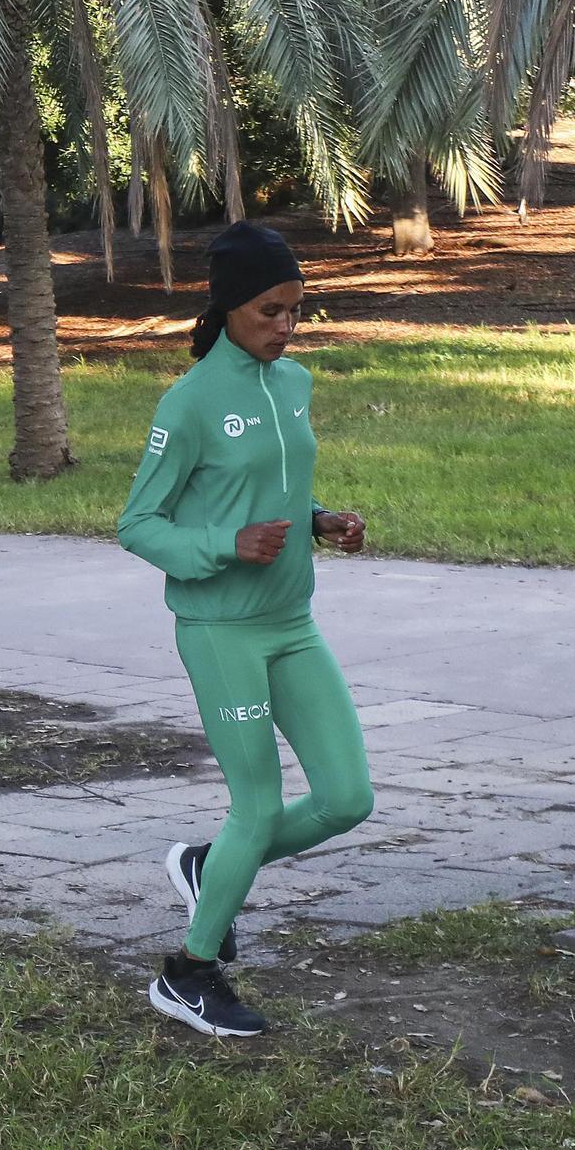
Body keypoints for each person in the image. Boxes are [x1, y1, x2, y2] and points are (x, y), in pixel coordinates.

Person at [116, 221, 374, 1037]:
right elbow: (138, 524)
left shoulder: (291, 383)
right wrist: (225, 545)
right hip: (221, 628)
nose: (286, 326)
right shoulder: (189, 402)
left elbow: (281, 485)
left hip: (291, 622)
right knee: (256, 808)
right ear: (229, 306)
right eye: (270, 310)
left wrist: (322, 518)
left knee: (346, 797)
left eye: (297, 310)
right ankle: (189, 973)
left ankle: (205, 867)